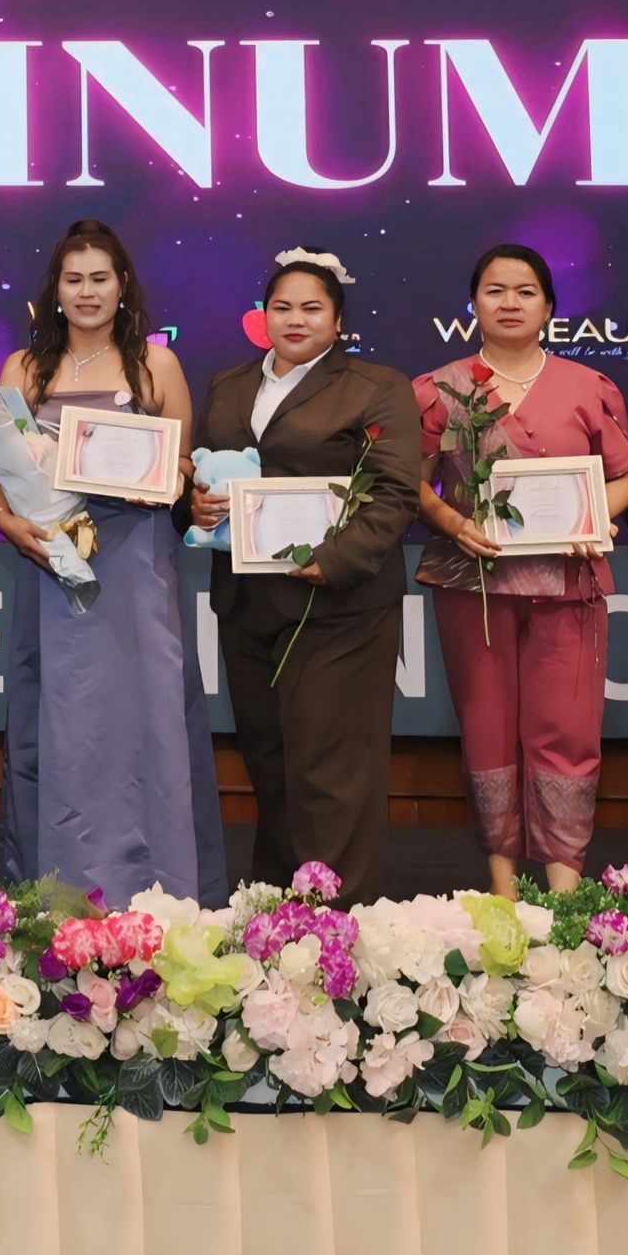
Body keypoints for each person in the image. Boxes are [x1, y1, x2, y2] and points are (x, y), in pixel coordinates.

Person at [0, 220, 223, 902]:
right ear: (55, 290)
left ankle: (159, 889)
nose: (87, 291)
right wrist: (6, 516)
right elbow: (2, 469)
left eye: (99, 278)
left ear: (122, 286)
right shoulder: (23, 368)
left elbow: (184, 463)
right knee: (63, 721)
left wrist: (159, 476)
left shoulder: (156, 365)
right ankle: (57, 891)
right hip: (53, 564)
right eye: (74, 279)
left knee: (146, 720)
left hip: (136, 564)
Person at [410, 245, 628, 896]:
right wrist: (452, 522)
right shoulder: (437, 388)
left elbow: (625, 476)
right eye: (495, 290)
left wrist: (594, 520)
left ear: (549, 306)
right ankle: (503, 889)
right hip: (472, 582)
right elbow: (411, 481)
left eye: (525, 291)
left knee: (569, 726)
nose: (509, 302)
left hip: (569, 581)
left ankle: (565, 891)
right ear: (473, 303)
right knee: (486, 725)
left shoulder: (588, 386)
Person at [195, 249, 422, 900]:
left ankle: (335, 921)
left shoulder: (376, 385)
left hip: (339, 605)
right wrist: (197, 505)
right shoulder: (229, 384)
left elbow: (396, 491)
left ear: (338, 319)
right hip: (246, 602)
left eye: (312, 308)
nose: (295, 319)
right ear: (263, 316)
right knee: (269, 763)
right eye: (282, 307)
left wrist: (338, 557)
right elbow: (207, 471)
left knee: (331, 770)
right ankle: (275, 914)